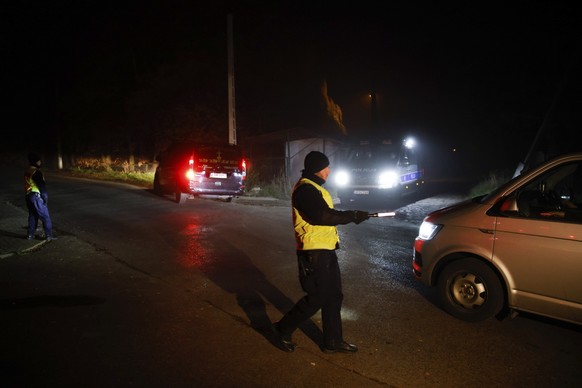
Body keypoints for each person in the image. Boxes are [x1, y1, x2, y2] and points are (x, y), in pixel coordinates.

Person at [273, 151, 370, 353]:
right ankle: (282, 328)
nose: (329, 170)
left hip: (325, 250)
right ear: (318, 169)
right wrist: (351, 216)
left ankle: (333, 342)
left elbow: (324, 215)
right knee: (317, 296)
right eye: (327, 167)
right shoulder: (305, 190)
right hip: (313, 252)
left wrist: (351, 215)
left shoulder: (314, 187)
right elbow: (321, 216)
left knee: (333, 296)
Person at [24, 153, 55, 241]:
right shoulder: (36, 172)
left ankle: (30, 235)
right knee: (45, 216)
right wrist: (45, 198)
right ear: (36, 161)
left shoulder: (28, 170)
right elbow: (41, 187)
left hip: (28, 195)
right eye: (39, 160)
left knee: (33, 216)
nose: (40, 162)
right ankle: (49, 235)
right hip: (36, 196)